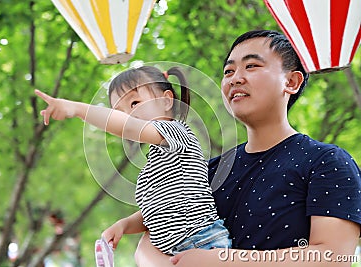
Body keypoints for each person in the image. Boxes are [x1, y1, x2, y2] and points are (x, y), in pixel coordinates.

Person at [134, 30, 361, 267]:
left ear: (291, 82)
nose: (235, 79)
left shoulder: (327, 162)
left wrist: (222, 261)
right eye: (228, 71)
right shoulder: (206, 171)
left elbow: (333, 257)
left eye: (251, 66)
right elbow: (149, 244)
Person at [35, 66, 231, 265]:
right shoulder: (155, 161)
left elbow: (126, 126)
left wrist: (76, 109)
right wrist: (124, 225)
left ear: (166, 100)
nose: (127, 115)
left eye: (135, 102)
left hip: (201, 244)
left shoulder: (176, 133)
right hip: (177, 251)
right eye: (119, 111)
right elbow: (161, 210)